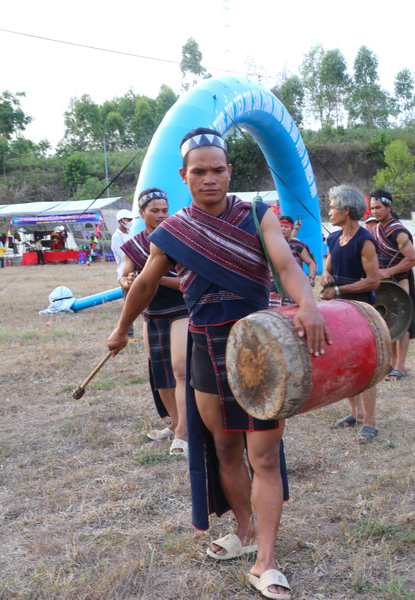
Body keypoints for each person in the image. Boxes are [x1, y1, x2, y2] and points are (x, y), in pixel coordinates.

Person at [107, 127, 328, 600]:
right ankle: (246, 533)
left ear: (230, 172)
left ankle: (265, 562)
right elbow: (145, 284)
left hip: (260, 344)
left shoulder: (258, 214)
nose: (210, 179)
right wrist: (123, 328)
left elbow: (287, 266)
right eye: (199, 172)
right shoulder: (171, 231)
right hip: (208, 347)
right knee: (226, 450)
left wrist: (307, 304)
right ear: (185, 176)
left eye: (218, 170)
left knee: (264, 456)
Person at [119, 188, 190, 456]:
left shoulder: (179, 238)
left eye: (164, 210)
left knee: (181, 369)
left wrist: (153, 277)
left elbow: (187, 282)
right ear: (142, 213)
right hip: (152, 313)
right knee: (160, 372)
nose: (161, 216)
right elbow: (125, 275)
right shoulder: (134, 244)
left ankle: (184, 433)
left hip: (183, 309)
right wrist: (126, 280)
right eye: (154, 211)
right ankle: (175, 423)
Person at [322, 185, 381, 442]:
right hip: (339, 310)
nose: (329, 211)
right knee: (345, 364)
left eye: (333, 207)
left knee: (365, 366)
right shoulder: (333, 238)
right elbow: (327, 268)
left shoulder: (365, 240)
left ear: (346, 210)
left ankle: (370, 421)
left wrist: (339, 289)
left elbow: (373, 281)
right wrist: (326, 279)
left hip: (362, 309)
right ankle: (355, 414)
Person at [370, 190, 415, 381]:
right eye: (372, 208)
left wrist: (389, 272)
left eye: (378, 207)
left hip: (400, 280)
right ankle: (389, 364)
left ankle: (400, 366)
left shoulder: (398, 232)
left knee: (401, 321)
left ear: (389, 207)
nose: (375, 211)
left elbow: (412, 258)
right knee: (385, 322)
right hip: (382, 282)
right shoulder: (374, 229)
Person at [277, 214, 318, 305]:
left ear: (292, 228)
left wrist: (311, 278)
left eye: (286, 227)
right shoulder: (270, 243)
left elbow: (311, 263)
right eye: (280, 226)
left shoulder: (298, 245)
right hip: (273, 289)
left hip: (294, 288)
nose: (283, 229)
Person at [112, 209, 136, 338]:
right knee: (128, 305)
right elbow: (126, 256)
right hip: (125, 275)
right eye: (129, 220)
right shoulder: (116, 237)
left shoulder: (131, 233)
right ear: (121, 221)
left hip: (136, 273)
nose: (131, 222)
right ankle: (128, 333)